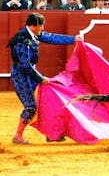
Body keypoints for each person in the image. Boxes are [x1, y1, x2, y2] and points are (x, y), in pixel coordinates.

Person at [8, 12, 81, 144]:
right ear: (32, 26)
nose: (42, 28)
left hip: (30, 74)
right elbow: (24, 65)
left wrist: (72, 39)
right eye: (40, 26)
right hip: (21, 76)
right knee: (30, 107)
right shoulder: (21, 40)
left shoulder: (33, 35)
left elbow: (51, 37)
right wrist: (40, 78)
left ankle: (51, 133)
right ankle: (18, 136)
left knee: (45, 103)